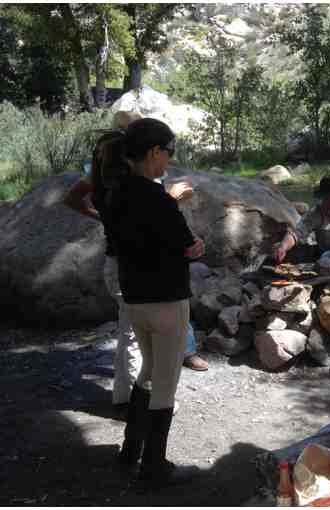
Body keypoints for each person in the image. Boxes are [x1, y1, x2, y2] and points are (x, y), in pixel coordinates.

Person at [63, 112, 208, 419]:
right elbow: (165, 230)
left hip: (123, 264)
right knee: (137, 339)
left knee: (131, 331)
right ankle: (136, 406)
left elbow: (136, 220)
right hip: (140, 272)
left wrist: (103, 217)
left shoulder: (111, 184)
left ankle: (126, 398)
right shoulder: (131, 186)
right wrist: (170, 201)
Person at [102, 117, 203, 487]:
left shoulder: (115, 191)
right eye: (168, 153)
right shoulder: (156, 198)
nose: (169, 162)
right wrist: (195, 247)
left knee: (147, 371)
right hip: (166, 299)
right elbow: (185, 245)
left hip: (135, 298)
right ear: (154, 152)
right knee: (166, 381)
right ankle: (154, 466)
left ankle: (131, 450)